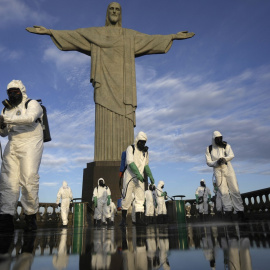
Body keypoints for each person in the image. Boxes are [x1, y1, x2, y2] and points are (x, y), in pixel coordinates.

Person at [26, 2, 195, 162]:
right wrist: (50, 32)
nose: (114, 12)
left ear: (121, 14)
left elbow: (150, 40)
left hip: (124, 89)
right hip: (104, 86)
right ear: (107, 13)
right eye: (111, 9)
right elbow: (74, 36)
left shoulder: (129, 35)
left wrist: (173, 36)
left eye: (118, 10)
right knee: (104, 121)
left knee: (125, 125)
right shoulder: (96, 34)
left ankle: (126, 160)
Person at [0, 80, 44, 233]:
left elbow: (30, 118)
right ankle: (6, 217)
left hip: (31, 142)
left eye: (15, 91)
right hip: (13, 143)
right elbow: (4, 133)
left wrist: (5, 119)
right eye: (10, 92)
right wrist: (1, 126)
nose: (12, 94)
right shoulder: (6, 110)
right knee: (7, 181)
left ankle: (30, 215)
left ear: (22, 91)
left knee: (28, 178)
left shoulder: (32, 104)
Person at [205, 131, 245, 221]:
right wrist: (216, 162)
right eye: (217, 139)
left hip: (228, 168)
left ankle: (240, 212)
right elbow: (208, 162)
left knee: (235, 190)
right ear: (213, 139)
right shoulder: (209, 149)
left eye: (220, 138)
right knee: (223, 192)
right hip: (218, 171)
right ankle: (228, 212)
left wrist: (224, 159)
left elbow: (231, 155)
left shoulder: (226, 145)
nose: (219, 140)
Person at [119, 131, 155, 226]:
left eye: (144, 142)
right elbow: (130, 162)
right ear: (137, 140)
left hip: (140, 179)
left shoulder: (145, 153)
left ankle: (138, 220)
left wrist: (150, 175)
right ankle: (123, 220)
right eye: (141, 142)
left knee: (140, 198)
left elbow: (146, 165)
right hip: (129, 177)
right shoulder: (130, 148)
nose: (142, 144)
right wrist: (138, 174)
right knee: (126, 198)